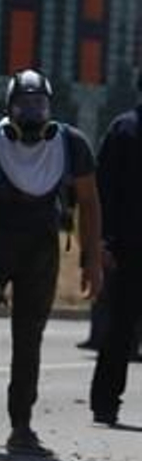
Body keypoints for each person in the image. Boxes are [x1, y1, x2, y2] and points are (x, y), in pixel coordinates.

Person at [0, 71, 103, 455]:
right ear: (9, 108)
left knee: (29, 340)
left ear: (50, 108)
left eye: (38, 104)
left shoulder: (71, 144)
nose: (31, 112)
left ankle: (21, 427)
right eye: (23, 105)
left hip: (40, 248)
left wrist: (93, 259)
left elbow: (90, 202)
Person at [89, 72, 142, 425]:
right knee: (119, 329)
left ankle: (105, 402)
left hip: (125, 247)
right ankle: (105, 402)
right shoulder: (124, 130)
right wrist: (101, 242)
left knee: (119, 328)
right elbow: (100, 192)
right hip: (127, 249)